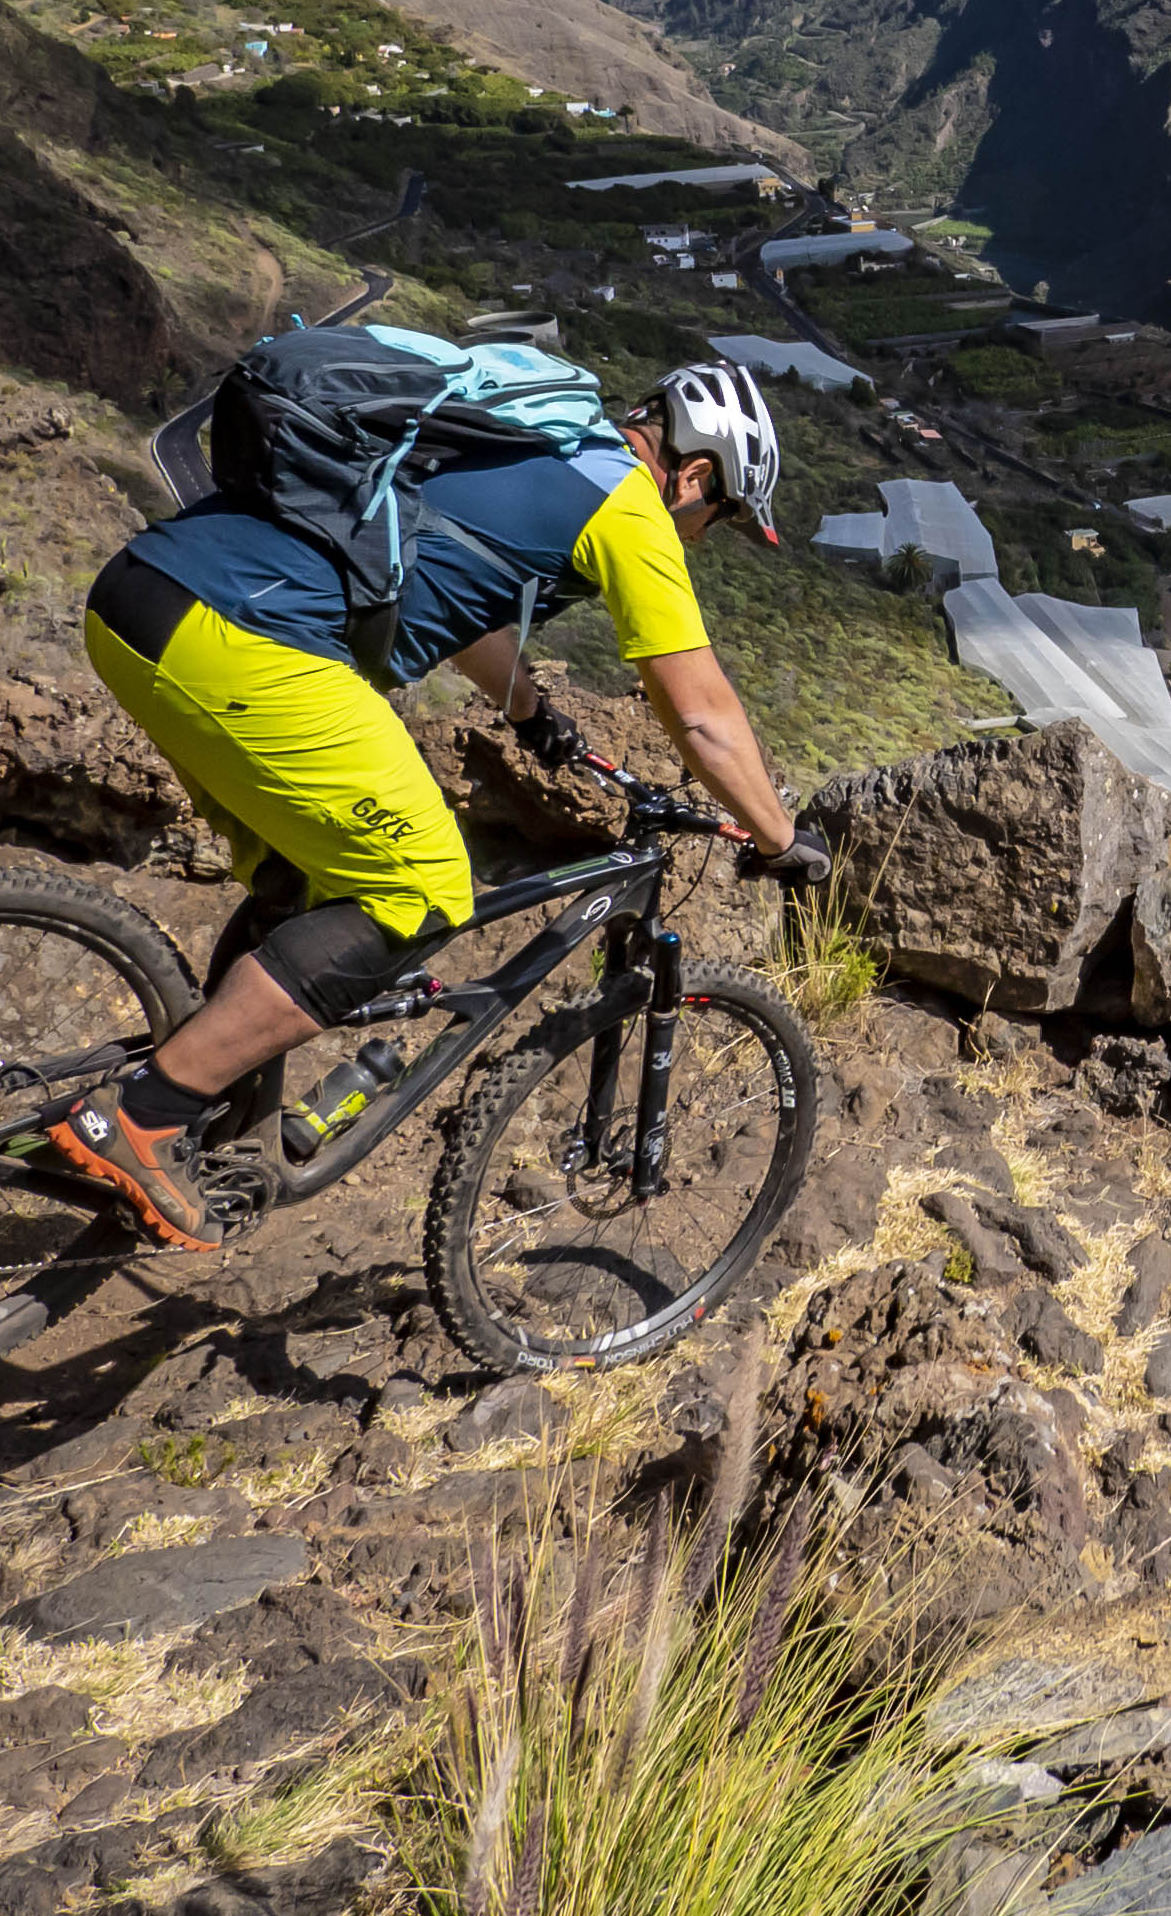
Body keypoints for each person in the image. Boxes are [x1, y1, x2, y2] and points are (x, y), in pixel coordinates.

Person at [52, 355, 807, 1249]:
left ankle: (217, 1119)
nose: (700, 535)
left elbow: (462, 589)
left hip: (143, 598)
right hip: (245, 635)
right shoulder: (629, 504)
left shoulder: (527, 443)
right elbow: (702, 715)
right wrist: (780, 837)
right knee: (422, 888)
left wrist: (531, 713)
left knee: (301, 876)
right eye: (715, 515)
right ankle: (141, 1117)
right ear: (693, 475)